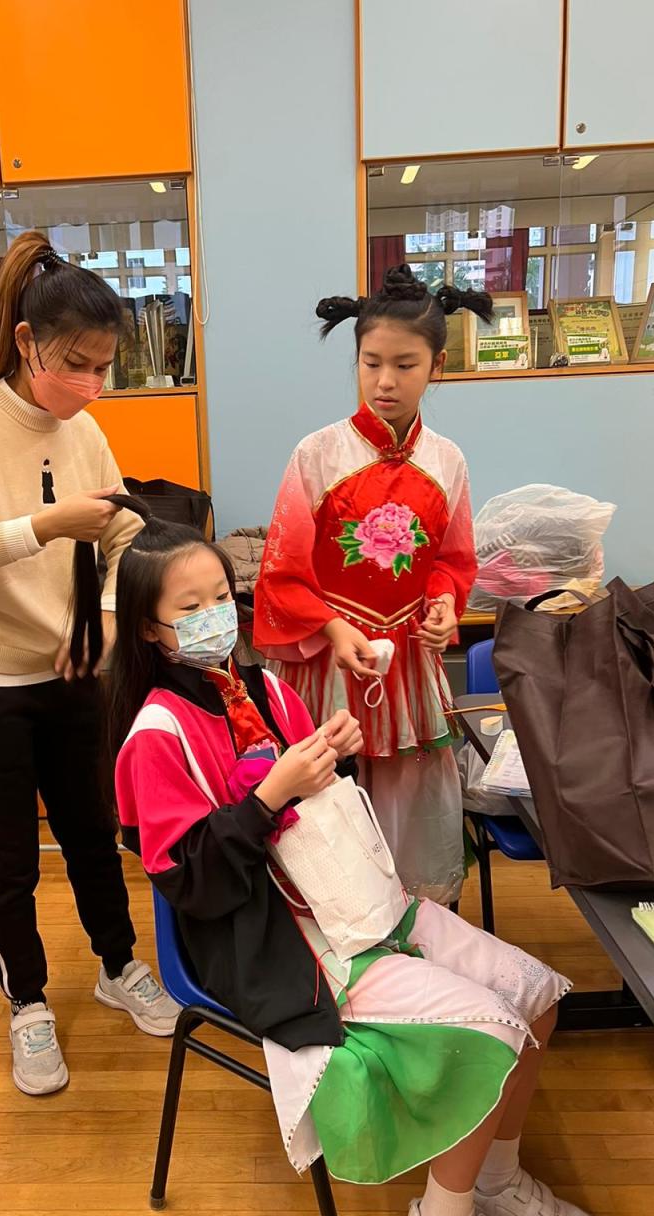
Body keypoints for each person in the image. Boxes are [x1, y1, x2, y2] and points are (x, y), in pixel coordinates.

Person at [110, 513, 608, 1216]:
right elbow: (193, 884)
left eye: (221, 597)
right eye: (189, 607)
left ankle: (497, 1182)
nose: (214, 616)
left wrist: (332, 756)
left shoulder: (268, 690)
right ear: (149, 627)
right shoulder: (156, 737)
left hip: (352, 901)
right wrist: (270, 795)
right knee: (494, 1029)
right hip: (274, 939)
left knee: (535, 995)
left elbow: (321, 812)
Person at [0, 231, 179, 1097]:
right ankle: (26, 1005)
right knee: (9, 859)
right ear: (26, 343)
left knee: (96, 832)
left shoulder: (84, 429)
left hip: (71, 675)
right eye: (76, 364)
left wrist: (103, 618)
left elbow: (127, 533)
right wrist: (42, 528)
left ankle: (118, 965)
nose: (91, 385)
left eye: (103, 367)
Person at [254, 264, 488, 905]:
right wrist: (334, 628)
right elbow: (281, 573)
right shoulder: (317, 454)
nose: (386, 381)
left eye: (406, 365)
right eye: (371, 362)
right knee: (326, 793)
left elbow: (452, 560)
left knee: (412, 794)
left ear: (437, 366)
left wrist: (444, 603)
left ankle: (417, 917)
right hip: (330, 658)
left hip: (407, 660)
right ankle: (335, 921)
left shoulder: (448, 460)